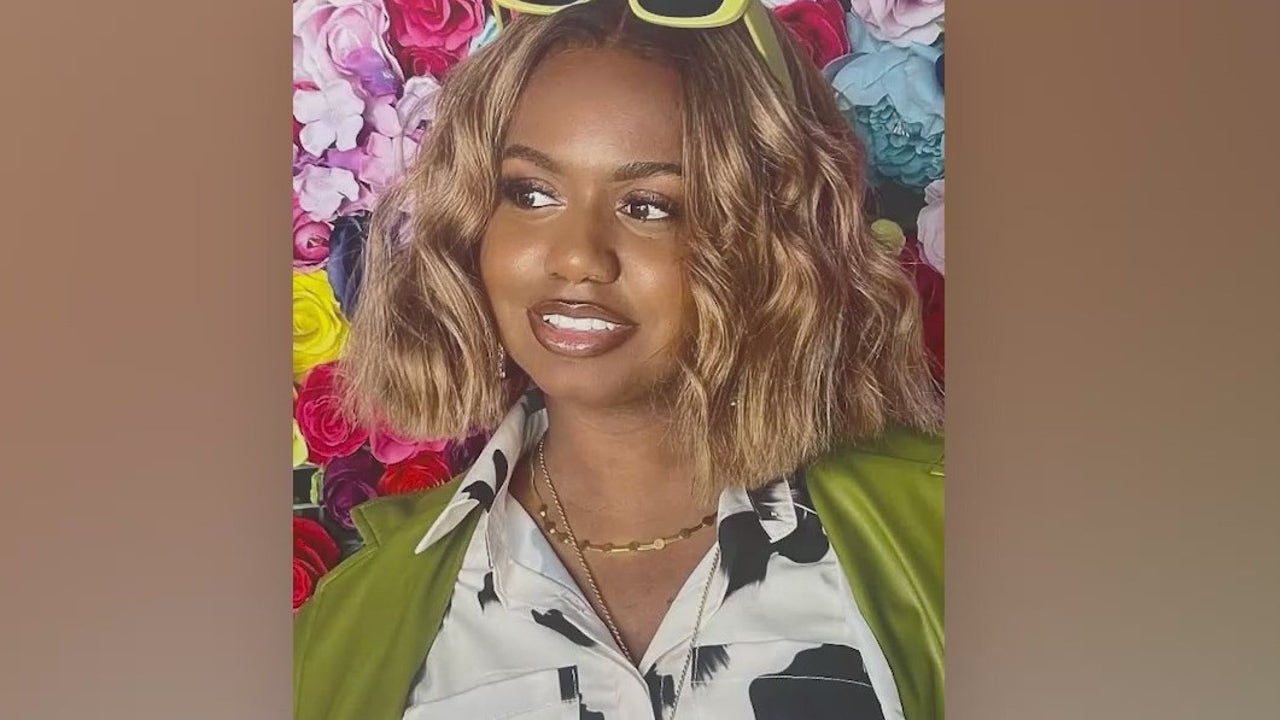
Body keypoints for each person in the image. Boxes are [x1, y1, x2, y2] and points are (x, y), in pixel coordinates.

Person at [293, 1, 943, 719]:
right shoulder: (349, 626)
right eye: (531, 193)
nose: (577, 256)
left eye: (649, 206)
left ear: (773, 237)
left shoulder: (945, 543)